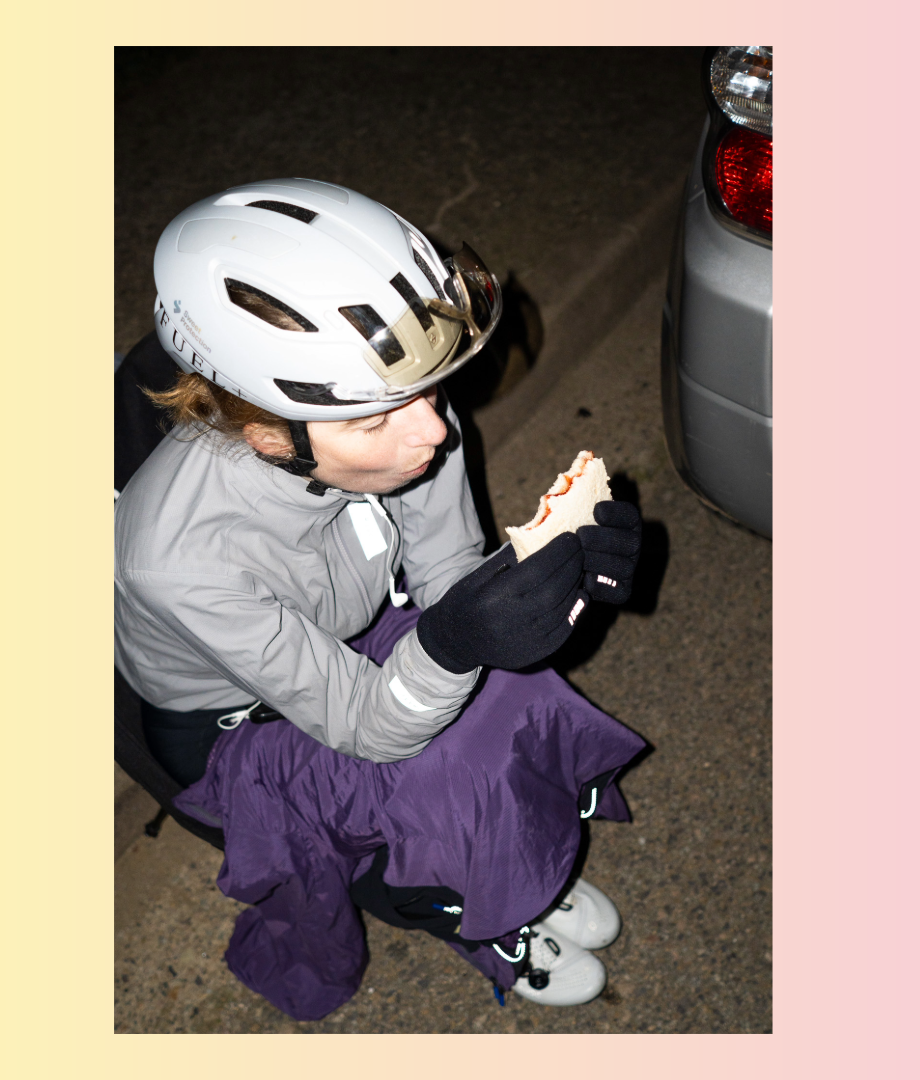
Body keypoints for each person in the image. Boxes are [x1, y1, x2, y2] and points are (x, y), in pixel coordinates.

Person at [115, 178, 647, 1020]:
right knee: (438, 785)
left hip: (354, 624)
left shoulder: (400, 409)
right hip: (235, 723)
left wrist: (563, 582)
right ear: (265, 431)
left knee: (512, 693)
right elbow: (366, 726)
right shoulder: (178, 561)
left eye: (430, 393)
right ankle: (474, 916)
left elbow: (447, 571)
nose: (433, 433)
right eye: (377, 422)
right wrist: (455, 643)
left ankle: (518, 866)